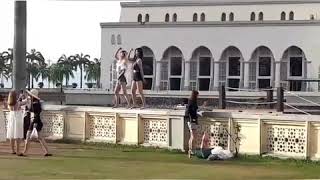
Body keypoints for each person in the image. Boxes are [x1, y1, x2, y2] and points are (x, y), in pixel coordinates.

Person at [23, 89, 51, 156]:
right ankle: (46, 151)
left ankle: (25, 151)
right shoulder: (35, 102)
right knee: (40, 138)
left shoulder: (36, 103)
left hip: (35, 121)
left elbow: (36, 114)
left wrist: (34, 123)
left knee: (28, 136)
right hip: (35, 121)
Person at [7, 90, 26, 156]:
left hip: (11, 119)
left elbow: (16, 103)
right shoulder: (18, 103)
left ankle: (12, 150)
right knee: (17, 135)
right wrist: (23, 97)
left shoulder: (9, 103)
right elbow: (24, 102)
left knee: (11, 135)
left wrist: (20, 98)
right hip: (17, 119)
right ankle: (18, 151)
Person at [186, 90, 199, 158]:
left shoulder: (191, 101)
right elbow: (190, 111)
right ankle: (191, 150)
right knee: (193, 136)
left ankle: (191, 150)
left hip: (193, 120)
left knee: (193, 136)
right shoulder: (192, 102)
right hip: (192, 120)